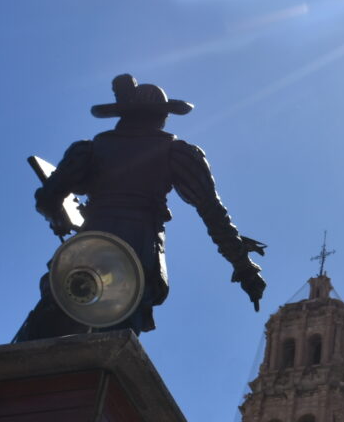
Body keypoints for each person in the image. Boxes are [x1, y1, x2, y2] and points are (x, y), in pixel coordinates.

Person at [16, 73, 265, 340]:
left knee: (47, 324)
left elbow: (47, 198)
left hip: (87, 246)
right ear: (161, 116)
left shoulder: (88, 149)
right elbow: (211, 211)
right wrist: (243, 264)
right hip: (137, 253)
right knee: (113, 337)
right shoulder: (177, 151)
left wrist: (59, 219)